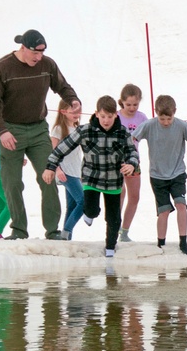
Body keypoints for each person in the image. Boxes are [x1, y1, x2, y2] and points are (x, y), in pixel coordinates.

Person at [0, 29, 80, 239]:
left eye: (42, 52)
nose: (38, 57)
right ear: (23, 48)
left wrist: (73, 100)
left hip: (38, 129)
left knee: (48, 176)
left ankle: (53, 231)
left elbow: (62, 86)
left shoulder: (47, 65)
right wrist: (2, 131)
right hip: (11, 130)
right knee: (12, 182)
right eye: (35, 52)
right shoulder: (2, 68)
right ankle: (19, 230)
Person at [43, 95, 139, 257]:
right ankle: (90, 213)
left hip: (113, 182)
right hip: (91, 179)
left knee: (113, 218)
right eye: (102, 116)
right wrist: (50, 167)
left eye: (110, 116)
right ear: (96, 114)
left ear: (116, 115)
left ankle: (110, 247)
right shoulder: (85, 131)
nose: (106, 120)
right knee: (91, 210)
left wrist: (131, 164)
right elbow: (61, 149)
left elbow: (132, 153)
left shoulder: (122, 132)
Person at [132, 94, 187, 255]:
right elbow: (132, 138)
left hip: (177, 173)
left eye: (168, 119)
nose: (165, 122)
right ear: (156, 112)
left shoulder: (182, 126)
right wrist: (133, 158)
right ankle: (161, 244)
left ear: (174, 112)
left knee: (181, 204)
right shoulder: (149, 125)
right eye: (162, 119)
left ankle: (183, 242)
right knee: (163, 211)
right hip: (157, 176)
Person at [49, 99, 84, 240]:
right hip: (64, 171)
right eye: (73, 111)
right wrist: (57, 169)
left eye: (79, 111)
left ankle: (67, 238)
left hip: (76, 172)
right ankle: (66, 231)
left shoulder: (78, 129)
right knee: (83, 201)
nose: (77, 114)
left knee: (72, 204)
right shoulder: (58, 128)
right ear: (63, 111)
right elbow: (52, 151)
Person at [117, 83, 147, 242]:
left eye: (135, 104)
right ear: (122, 102)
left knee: (134, 197)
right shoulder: (116, 116)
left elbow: (150, 134)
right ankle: (114, 227)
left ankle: (125, 231)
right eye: (128, 104)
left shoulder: (142, 118)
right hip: (117, 162)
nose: (132, 107)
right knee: (119, 194)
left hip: (134, 161)